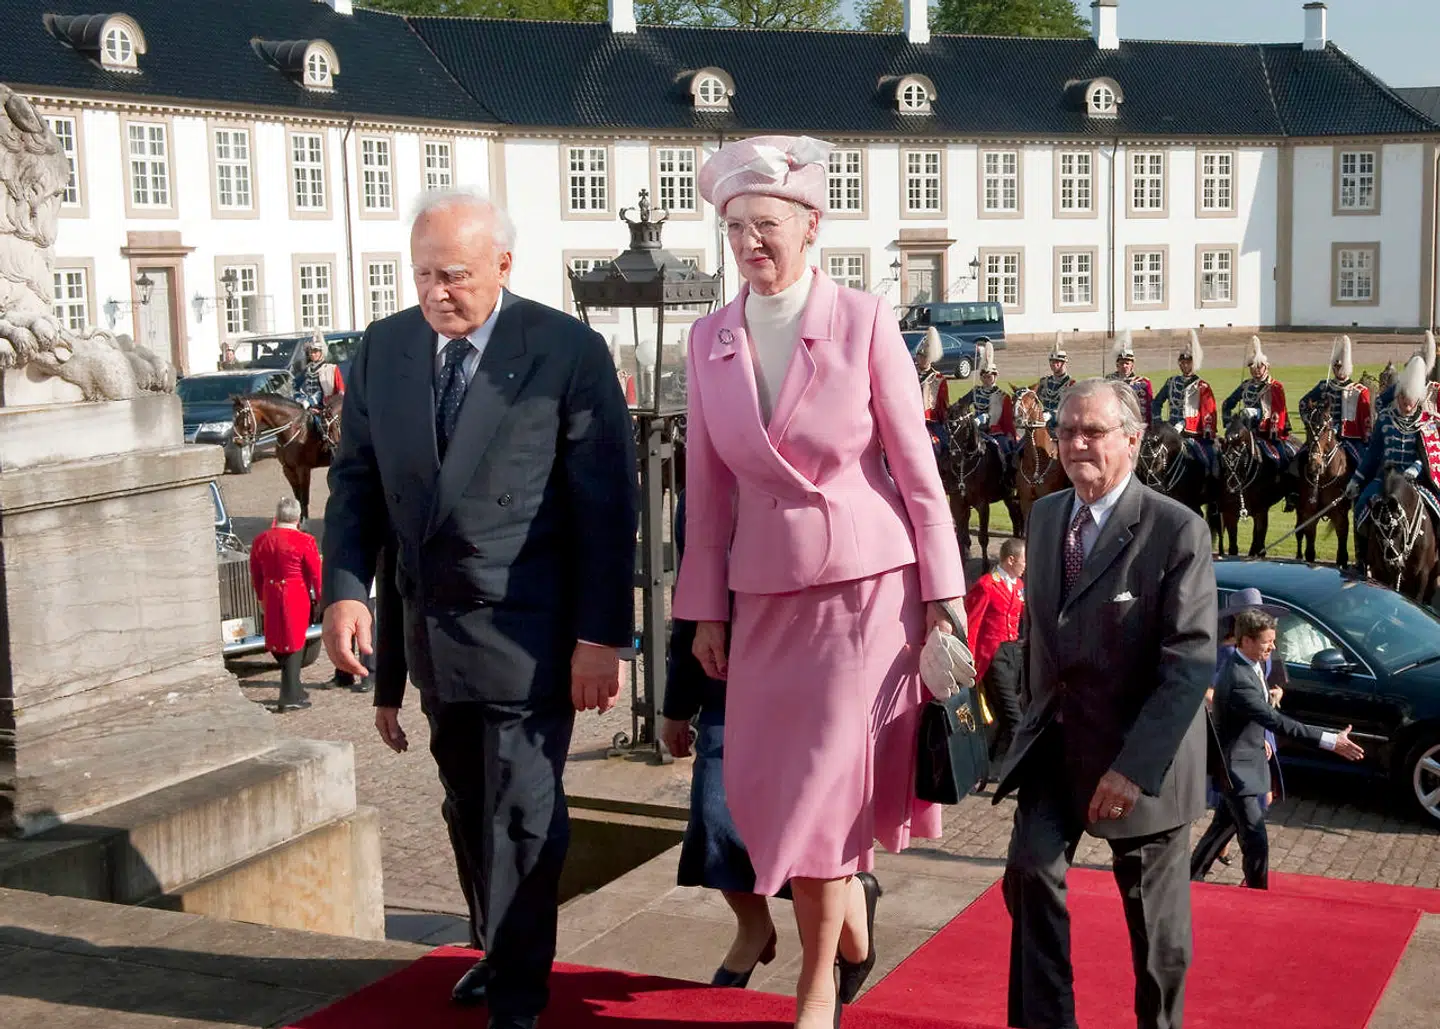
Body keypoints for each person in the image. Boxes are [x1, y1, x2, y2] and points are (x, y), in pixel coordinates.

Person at [321, 189, 637, 1029]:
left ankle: (520, 998)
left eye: (454, 275)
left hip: (532, 636)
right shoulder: (384, 350)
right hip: (435, 635)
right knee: (468, 806)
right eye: (422, 275)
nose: (436, 293)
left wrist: (602, 636)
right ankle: (499, 945)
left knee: (525, 816)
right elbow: (355, 485)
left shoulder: (566, 350)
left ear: (503, 264)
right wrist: (347, 592)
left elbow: (606, 506)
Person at [677, 134, 966, 1029]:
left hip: (865, 588)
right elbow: (707, 487)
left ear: (810, 227)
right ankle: (844, 927)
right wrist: (702, 612)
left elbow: (917, 470)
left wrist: (943, 597)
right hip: (764, 594)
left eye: (765, 225)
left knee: (825, 790)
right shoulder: (708, 337)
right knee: (770, 789)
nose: (749, 242)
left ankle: (816, 989)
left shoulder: (864, 320)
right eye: (734, 228)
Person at [994, 377, 1216, 1029]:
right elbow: (1039, 634)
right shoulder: (1043, 516)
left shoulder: (1178, 531)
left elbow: (1190, 661)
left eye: (1093, 430)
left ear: (1133, 438)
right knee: (1030, 872)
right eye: (1066, 430)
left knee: (1159, 945)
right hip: (1057, 749)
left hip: (1143, 761)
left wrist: (1133, 767)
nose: (1077, 443)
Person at [659, 491, 784, 989]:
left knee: (809, 835)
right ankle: (755, 927)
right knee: (713, 818)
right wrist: (674, 707)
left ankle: (852, 912)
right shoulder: (704, 494)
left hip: (807, 688)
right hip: (724, 687)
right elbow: (690, 604)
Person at [1191, 608, 1364, 889]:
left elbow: (1251, 717)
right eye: (1267, 641)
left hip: (1246, 763)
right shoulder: (1237, 679)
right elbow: (1276, 721)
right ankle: (1258, 895)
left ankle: (1191, 877)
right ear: (1245, 641)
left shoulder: (1250, 665)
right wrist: (1331, 740)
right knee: (1255, 839)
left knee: (1222, 827)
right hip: (1238, 771)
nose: (1273, 647)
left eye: (1274, 640)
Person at [1346, 354, 1440, 578]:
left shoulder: (1427, 422)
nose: (1407, 406)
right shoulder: (1386, 420)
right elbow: (1372, 454)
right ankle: (1361, 560)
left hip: (1415, 482)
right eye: (1403, 400)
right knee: (1360, 506)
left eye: (1411, 401)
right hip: (1385, 480)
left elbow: (1430, 454)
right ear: (1397, 396)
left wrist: (1416, 467)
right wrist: (1356, 479)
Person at [249, 497, 321, 714]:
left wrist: (261, 596)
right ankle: (289, 695)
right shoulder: (305, 541)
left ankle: (294, 688)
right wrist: (320, 597)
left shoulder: (262, 539)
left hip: (271, 592)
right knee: (294, 642)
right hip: (295, 592)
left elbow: (256, 573)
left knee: (279, 639)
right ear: (297, 517)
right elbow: (316, 573)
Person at [965, 537, 1025, 761]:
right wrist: (969, 661)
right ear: (1011, 560)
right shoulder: (986, 585)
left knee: (1002, 712)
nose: (1025, 566)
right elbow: (973, 624)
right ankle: (1020, 767)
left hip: (1013, 653)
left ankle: (986, 759)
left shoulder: (1018, 586)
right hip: (993, 656)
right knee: (1014, 716)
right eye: (1023, 561)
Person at [1222, 337, 1297, 471]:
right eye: (1253, 367)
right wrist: (1229, 423)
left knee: (1281, 457)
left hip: (1267, 432)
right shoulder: (1245, 385)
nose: (1256, 370)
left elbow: (1278, 411)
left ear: (1266, 367)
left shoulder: (1275, 386)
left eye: (1259, 366)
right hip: (1245, 431)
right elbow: (1228, 403)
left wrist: (1257, 413)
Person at [1152, 330, 1219, 479]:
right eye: (1182, 362)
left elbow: (1209, 413)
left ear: (1193, 364)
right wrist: (1158, 422)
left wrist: (1189, 425)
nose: (1184, 365)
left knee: (1207, 457)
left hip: (1192, 431)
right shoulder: (1171, 382)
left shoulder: (1202, 386)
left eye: (1188, 362)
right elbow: (1156, 403)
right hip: (1170, 429)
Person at [1299, 336, 1371, 463]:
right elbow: (1304, 403)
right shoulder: (1324, 386)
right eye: (1337, 367)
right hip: (1322, 434)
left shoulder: (1359, 391)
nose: (1339, 370)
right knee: (1297, 459)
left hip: (1350, 439)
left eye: (1342, 367)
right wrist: (1311, 424)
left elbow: (1366, 421)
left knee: (1363, 463)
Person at [293, 331, 345, 448]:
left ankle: (332, 447)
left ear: (321, 353)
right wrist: (299, 398)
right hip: (307, 405)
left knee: (325, 426)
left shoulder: (331, 369)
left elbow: (340, 391)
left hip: (326, 406)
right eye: (311, 351)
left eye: (315, 351)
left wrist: (311, 402)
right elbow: (295, 386)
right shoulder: (306, 370)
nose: (313, 354)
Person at [1105, 330, 1153, 426]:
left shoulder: (1142, 383)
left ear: (1132, 365)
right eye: (1122, 363)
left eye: (1127, 363)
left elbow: (1148, 407)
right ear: (1117, 365)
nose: (1124, 366)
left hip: (1134, 422)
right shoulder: (1108, 381)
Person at [1031, 334, 1073, 424]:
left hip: (1062, 424)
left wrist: (1051, 415)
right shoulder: (1044, 382)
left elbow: (1071, 409)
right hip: (1043, 421)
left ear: (1064, 363)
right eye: (1052, 362)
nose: (1054, 364)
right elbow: (1034, 399)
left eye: (1057, 362)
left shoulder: (1071, 384)